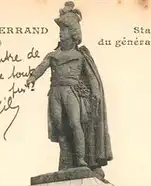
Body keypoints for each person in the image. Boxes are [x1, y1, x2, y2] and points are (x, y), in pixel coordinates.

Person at [26, 1, 112, 176]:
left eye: (64, 30)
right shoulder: (53, 55)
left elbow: (92, 79)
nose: (61, 33)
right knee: (60, 127)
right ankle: (66, 161)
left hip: (71, 92)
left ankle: (80, 158)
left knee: (75, 123)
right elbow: (41, 66)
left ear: (73, 34)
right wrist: (32, 77)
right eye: (60, 30)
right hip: (55, 93)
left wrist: (96, 95)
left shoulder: (81, 56)